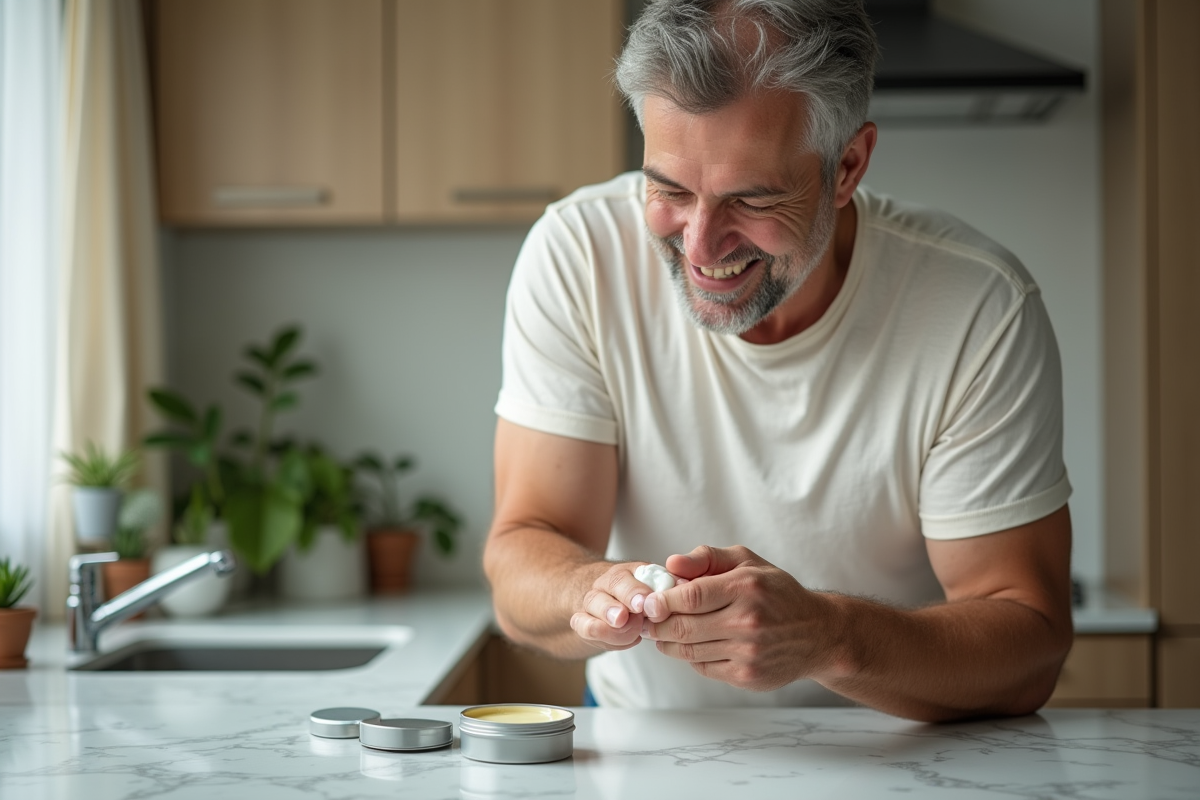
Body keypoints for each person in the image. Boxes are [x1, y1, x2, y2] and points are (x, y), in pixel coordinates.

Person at [484, 0, 1073, 723]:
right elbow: (523, 554)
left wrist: (829, 637)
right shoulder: (579, 256)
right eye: (669, 189)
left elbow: (1031, 645)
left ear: (848, 165)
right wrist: (593, 591)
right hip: (644, 746)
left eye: (750, 198)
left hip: (902, 756)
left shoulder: (977, 307)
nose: (700, 247)